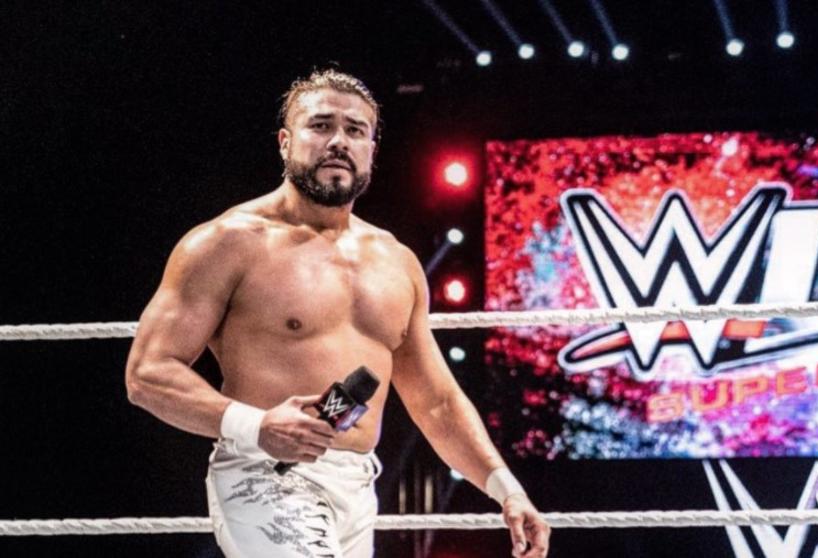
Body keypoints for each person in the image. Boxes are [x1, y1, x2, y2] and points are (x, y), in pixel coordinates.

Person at [125, 68, 550, 558]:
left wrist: (507, 489)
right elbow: (147, 373)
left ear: (372, 149)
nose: (339, 142)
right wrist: (256, 425)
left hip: (357, 486)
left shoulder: (396, 262)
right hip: (264, 474)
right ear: (285, 142)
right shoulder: (227, 243)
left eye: (355, 130)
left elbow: (436, 401)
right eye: (321, 125)